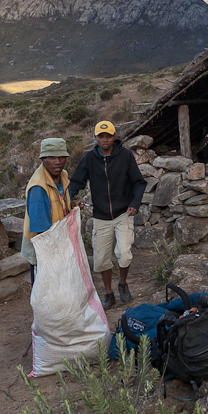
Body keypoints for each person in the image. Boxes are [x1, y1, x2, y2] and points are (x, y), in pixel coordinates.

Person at [68, 121, 146, 309]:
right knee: (102, 259)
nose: (105, 140)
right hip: (101, 216)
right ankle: (109, 294)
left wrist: (135, 203)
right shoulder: (89, 159)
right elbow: (75, 182)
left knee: (124, 254)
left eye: (108, 136)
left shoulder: (125, 156)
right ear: (95, 138)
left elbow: (139, 182)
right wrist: (70, 199)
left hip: (123, 213)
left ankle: (123, 284)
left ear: (114, 137)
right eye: (101, 136)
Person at [21, 137, 74, 285]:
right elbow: (41, 231)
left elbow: (59, 202)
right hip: (44, 249)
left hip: (59, 242)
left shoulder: (62, 176)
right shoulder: (38, 187)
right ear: (42, 159)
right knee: (46, 290)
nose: (57, 161)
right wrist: (54, 255)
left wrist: (72, 204)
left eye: (61, 157)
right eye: (51, 157)